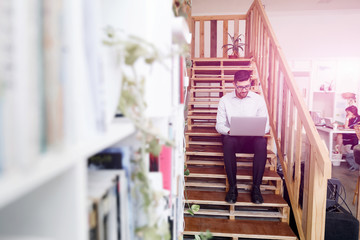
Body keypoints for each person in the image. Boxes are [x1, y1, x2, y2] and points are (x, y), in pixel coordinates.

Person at [215, 70, 270, 204]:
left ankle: (256, 189)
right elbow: (219, 125)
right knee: (227, 142)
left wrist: (257, 130)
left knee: (261, 143)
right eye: (240, 87)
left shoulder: (258, 100)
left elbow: (266, 127)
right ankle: (233, 188)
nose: (244, 90)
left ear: (250, 84)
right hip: (233, 139)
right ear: (234, 84)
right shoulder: (225, 100)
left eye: (247, 86)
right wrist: (230, 131)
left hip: (251, 140)